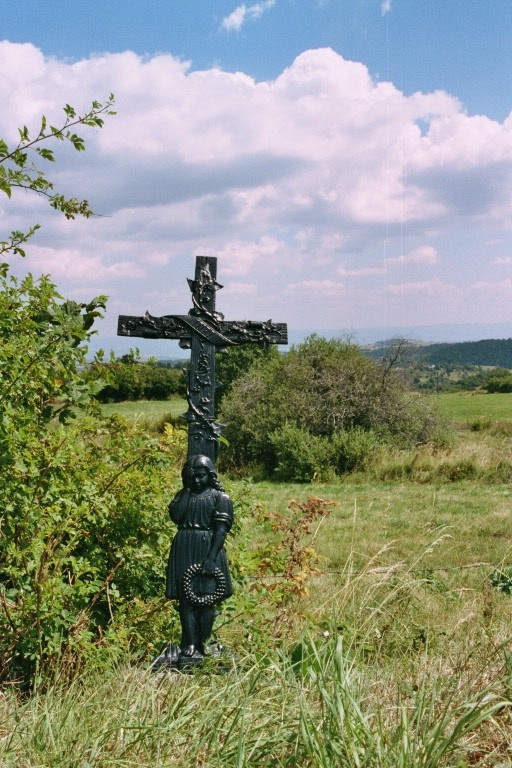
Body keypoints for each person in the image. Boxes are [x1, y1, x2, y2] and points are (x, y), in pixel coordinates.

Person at [166, 454, 233, 664]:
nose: (196, 481)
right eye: (191, 477)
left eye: (201, 476)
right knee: (186, 600)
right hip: (185, 546)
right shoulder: (184, 495)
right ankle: (190, 642)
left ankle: (203, 641)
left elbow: (221, 530)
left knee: (207, 599)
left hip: (208, 546)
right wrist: (186, 489)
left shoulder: (220, 498)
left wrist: (212, 557)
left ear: (210, 475)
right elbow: (176, 516)